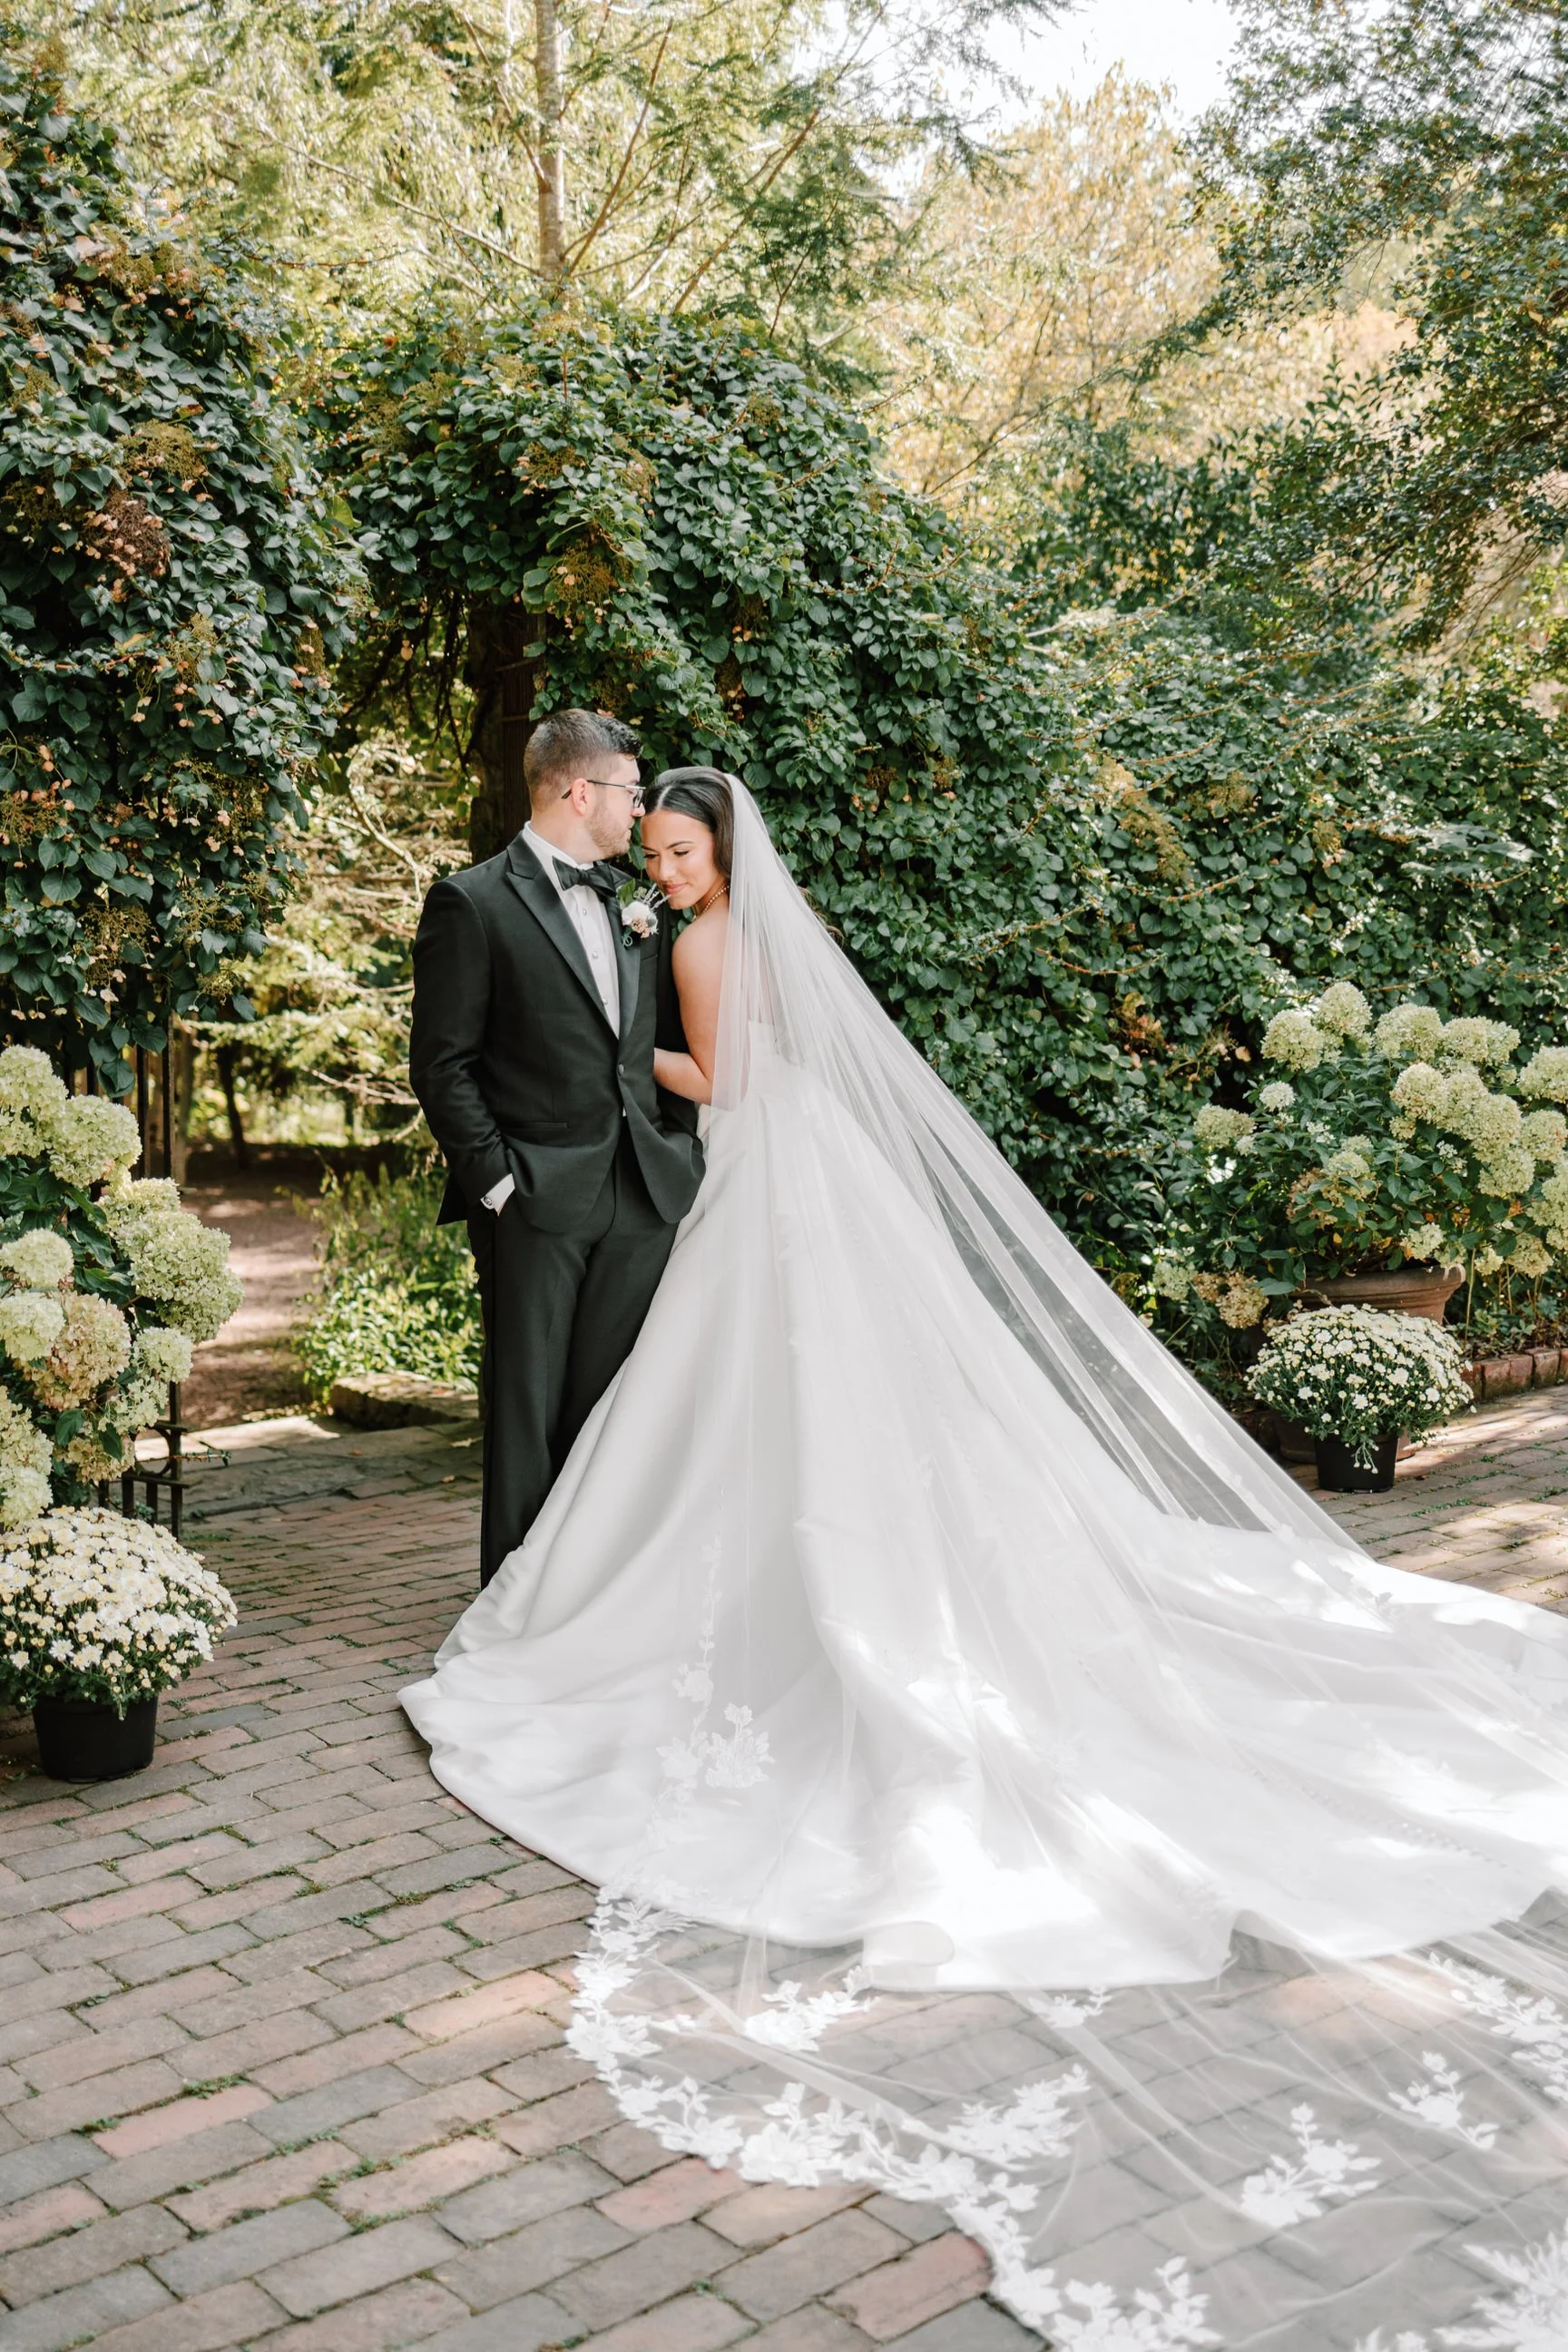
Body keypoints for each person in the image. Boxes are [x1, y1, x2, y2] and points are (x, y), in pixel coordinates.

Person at [406, 771, 1568, 2348]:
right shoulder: (740, 924)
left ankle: (686, 1602)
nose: (665, 875)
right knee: (811, 1418)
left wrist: (631, 1065)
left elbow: (717, 1079)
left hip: (757, 1181)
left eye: (679, 853)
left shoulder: (694, 941)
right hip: (806, 1184)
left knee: (751, 1414)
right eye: (657, 854)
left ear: (719, 851)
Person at [408, 711, 704, 1584]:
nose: (638, 809)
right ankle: (513, 1610)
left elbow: (660, 1043)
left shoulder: (637, 903)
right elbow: (442, 1066)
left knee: (612, 1414)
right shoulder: (472, 902)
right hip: (533, 1201)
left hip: (642, 1198)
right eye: (628, 789)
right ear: (582, 792)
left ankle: (587, 1605)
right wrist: (498, 1184)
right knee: (525, 1414)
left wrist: (675, 1150)